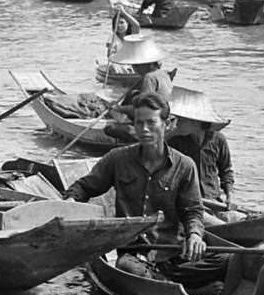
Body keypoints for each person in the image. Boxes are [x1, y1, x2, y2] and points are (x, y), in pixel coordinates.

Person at [63, 92, 206, 262]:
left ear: (167, 124)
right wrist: (70, 203)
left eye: (151, 122)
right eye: (139, 123)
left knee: (225, 261)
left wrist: (195, 235)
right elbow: (84, 187)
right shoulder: (117, 158)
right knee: (129, 268)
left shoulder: (185, 166)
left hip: (171, 252)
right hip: (132, 254)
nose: (144, 129)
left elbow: (193, 211)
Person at [166, 85, 237, 215]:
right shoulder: (173, 142)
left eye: (182, 119)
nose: (177, 123)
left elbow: (226, 172)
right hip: (188, 204)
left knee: (235, 218)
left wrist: (229, 196)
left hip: (213, 202)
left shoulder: (218, 140)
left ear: (195, 122)